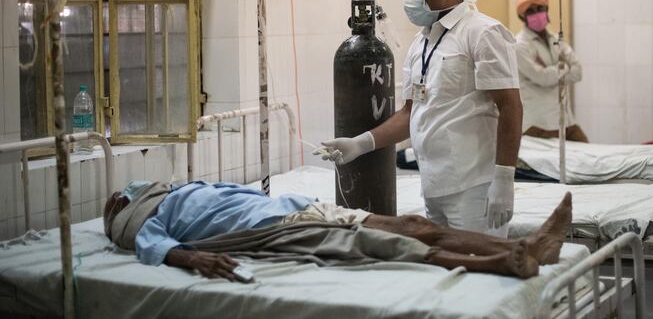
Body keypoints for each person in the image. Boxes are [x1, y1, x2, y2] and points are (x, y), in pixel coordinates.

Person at [316, 0, 523, 236]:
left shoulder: (483, 33)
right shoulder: (421, 42)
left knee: (479, 269)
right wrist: (360, 144)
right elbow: (410, 112)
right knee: (444, 267)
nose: (409, 1)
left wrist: (504, 178)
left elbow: (510, 106)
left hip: (474, 185)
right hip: (434, 184)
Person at [104, 179, 573, 281]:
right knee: (387, 241)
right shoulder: (145, 221)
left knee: (413, 225)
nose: (121, 192)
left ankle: (526, 245)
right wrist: (196, 259)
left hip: (300, 207)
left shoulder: (184, 188)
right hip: (277, 228)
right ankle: (505, 262)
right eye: (118, 197)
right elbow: (159, 249)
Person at [514, 0, 587, 142]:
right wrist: (565, 67)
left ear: (546, 9)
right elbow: (542, 78)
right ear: (522, 16)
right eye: (531, 11)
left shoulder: (556, 39)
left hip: (566, 121)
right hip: (539, 125)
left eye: (540, 8)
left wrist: (551, 70)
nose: (537, 13)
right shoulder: (520, 45)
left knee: (588, 156)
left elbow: (578, 71)